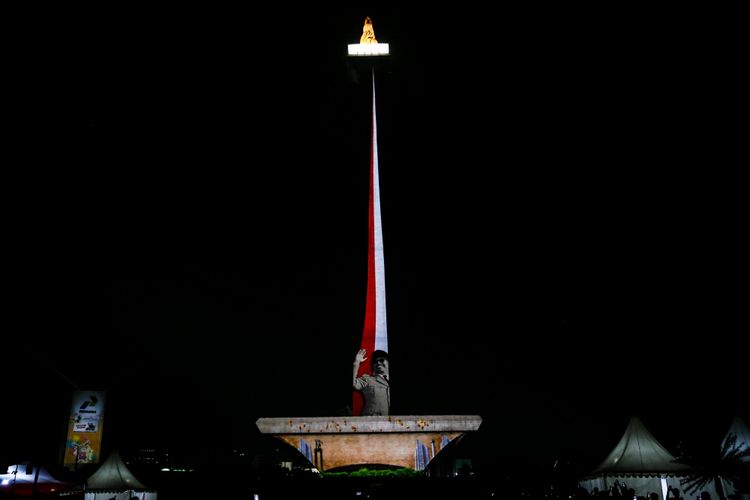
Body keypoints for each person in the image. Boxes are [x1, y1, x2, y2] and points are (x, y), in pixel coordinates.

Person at [353, 348, 390, 415]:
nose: (378, 363)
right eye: (375, 362)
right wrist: (356, 362)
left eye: (381, 360)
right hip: (373, 422)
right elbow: (353, 384)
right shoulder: (367, 379)